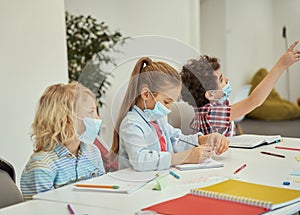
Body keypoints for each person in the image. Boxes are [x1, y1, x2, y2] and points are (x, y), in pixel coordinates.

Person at [110, 57, 229, 171]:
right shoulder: (131, 124)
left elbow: (177, 140)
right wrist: (185, 157)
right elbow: (141, 160)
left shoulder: (158, 119)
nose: (168, 108)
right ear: (146, 94)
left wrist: (206, 139)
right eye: (166, 102)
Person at [180, 41, 300, 137]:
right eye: (221, 79)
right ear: (210, 95)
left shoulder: (211, 108)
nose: (227, 79)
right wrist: (280, 66)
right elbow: (254, 101)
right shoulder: (211, 114)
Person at [21, 82, 105, 199]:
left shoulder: (93, 152)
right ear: (66, 119)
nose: (97, 118)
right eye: (91, 112)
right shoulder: (42, 166)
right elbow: (42, 209)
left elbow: (102, 195)